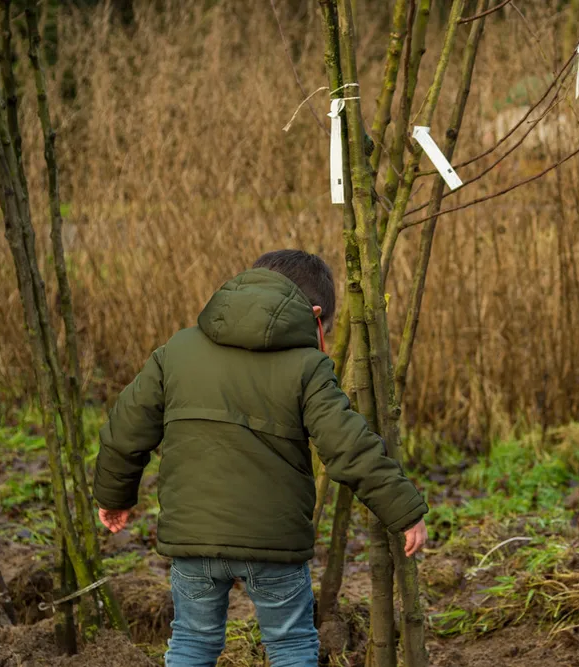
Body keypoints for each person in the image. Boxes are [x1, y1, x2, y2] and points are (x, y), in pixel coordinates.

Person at [92, 250, 428, 667]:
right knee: (289, 645)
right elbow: (349, 445)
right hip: (274, 544)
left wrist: (115, 495)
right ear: (315, 313)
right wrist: (404, 510)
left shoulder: (177, 350)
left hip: (194, 538)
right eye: (325, 328)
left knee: (192, 642)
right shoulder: (308, 366)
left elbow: (124, 432)